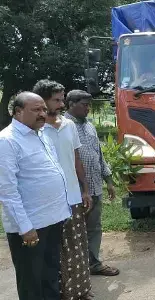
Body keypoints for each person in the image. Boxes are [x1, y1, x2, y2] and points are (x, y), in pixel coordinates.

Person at [0, 92, 71, 300]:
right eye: (36, 110)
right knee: (31, 283)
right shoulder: (7, 141)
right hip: (31, 226)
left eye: (43, 109)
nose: (43, 113)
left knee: (50, 276)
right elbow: (7, 189)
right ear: (18, 112)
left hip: (53, 219)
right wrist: (25, 227)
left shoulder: (41, 134)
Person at [33, 80, 95, 300]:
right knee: (55, 250)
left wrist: (85, 189)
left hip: (73, 195)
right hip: (49, 200)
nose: (61, 104)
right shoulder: (37, 130)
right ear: (42, 101)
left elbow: (76, 158)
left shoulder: (68, 125)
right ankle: (60, 293)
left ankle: (80, 291)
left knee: (77, 246)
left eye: (62, 99)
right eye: (56, 100)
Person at [64, 90, 120, 277]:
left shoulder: (89, 126)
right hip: (75, 190)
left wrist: (109, 180)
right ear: (71, 104)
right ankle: (75, 269)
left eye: (89, 104)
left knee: (94, 228)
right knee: (74, 231)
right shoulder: (63, 127)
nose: (88, 108)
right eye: (84, 104)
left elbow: (99, 155)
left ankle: (93, 263)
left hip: (95, 188)